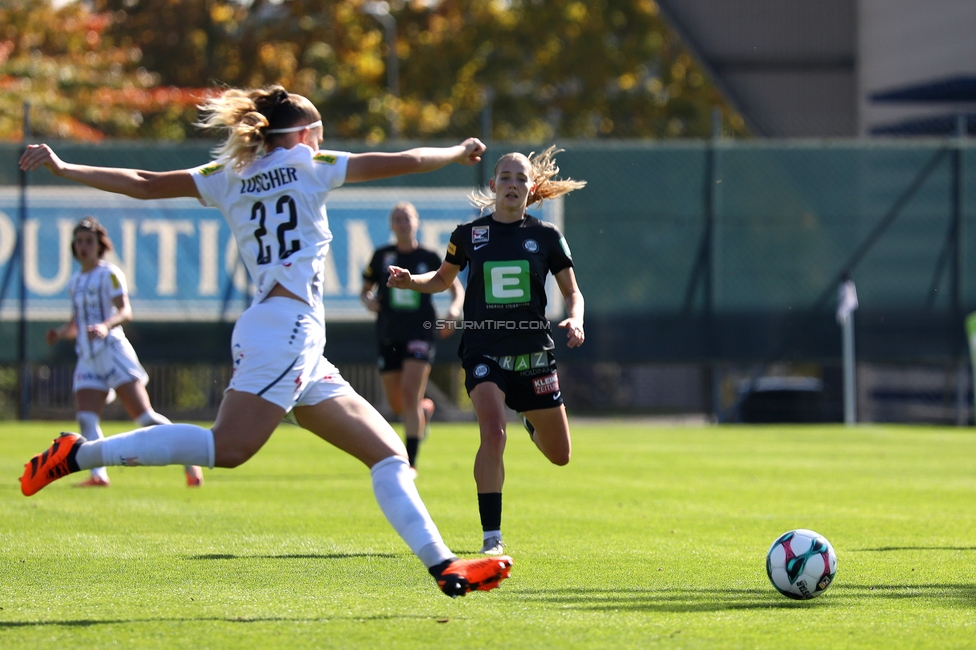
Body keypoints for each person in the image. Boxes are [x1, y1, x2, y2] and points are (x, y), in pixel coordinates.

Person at [18, 84, 511, 597]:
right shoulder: (308, 162)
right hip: (287, 330)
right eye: (317, 129)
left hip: (289, 335)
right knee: (226, 448)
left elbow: (143, 182)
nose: (320, 137)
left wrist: (64, 167)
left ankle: (445, 566)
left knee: (389, 454)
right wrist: (457, 151)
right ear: (300, 134)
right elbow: (405, 159)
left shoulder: (229, 175)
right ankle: (79, 455)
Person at [387, 146, 586, 555]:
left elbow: (573, 293)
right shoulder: (468, 234)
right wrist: (411, 281)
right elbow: (442, 281)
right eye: (506, 177)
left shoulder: (546, 237)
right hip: (483, 351)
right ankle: (491, 538)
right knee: (493, 434)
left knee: (561, 455)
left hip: (532, 354)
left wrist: (576, 319)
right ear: (493, 185)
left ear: (531, 190)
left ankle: (530, 419)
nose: (512, 184)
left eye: (521, 178)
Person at [47, 216, 203, 488]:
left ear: (100, 245)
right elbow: (78, 323)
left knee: (144, 417)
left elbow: (125, 312)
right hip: (88, 356)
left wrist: (106, 326)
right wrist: (60, 333)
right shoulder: (75, 282)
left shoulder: (109, 273)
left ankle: (190, 457)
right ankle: (98, 475)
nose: (83, 246)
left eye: (89, 241)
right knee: (85, 417)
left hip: (112, 350)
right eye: (79, 241)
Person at [360, 201, 464, 475]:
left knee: (409, 394)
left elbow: (456, 288)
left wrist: (453, 312)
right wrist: (368, 300)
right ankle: (424, 411)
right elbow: (366, 290)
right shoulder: (382, 256)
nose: (403, 223)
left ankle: (411, 461)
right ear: (391, 225)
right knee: (399, 405)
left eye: (408, 218)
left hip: (420, 332)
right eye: (398, 218)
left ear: (416, 223)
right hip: (388, 332)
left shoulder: (429, 257)